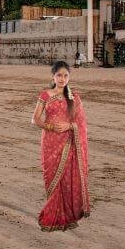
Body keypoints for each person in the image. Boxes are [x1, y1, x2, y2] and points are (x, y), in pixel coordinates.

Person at [31, 60, 90, 232]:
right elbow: (35, 119)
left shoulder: (74, 98)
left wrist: (69, 126)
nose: (62, 79)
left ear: (69, 77)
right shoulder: (45, 95)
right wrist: (50, 126)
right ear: (53, 76)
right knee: (51, 178)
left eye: (65, 75)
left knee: (66, 179)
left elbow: (81, 124)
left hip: (68, 142)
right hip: (50, 142)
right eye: (59, 75)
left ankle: (67, 216)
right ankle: (53, 215)